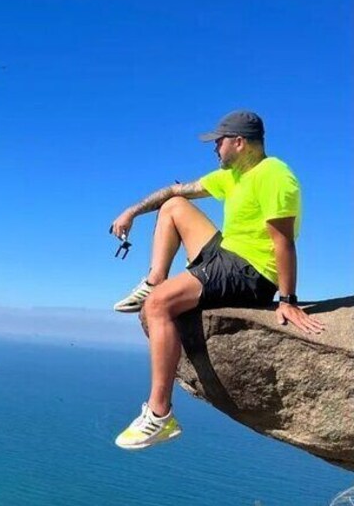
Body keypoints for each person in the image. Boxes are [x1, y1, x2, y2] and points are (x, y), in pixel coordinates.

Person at [108, 110, 325, 451]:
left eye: (218, 142)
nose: (214, 149)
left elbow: (283, 240)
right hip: (225, 254)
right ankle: (154, 279)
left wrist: (287, 300)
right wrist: (131, 212)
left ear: (239, 142)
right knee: (174, 205)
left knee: (158, 305)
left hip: (250, 271)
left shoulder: (274, 174)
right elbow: (175, 189)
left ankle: (160, 416)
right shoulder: (232, 176)